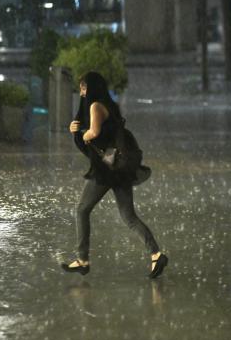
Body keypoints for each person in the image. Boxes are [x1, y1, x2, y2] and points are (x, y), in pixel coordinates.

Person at [62, 71, 168, 279]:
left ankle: (83, 260)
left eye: (84, 87)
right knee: (128, 216)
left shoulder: (95, 106)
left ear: (92, 87)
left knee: (82, 210)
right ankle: (156, 253)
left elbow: (93, 132)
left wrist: (81, 133)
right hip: (119, 167)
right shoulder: (109, 105)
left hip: (106, 170)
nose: (82, 92)